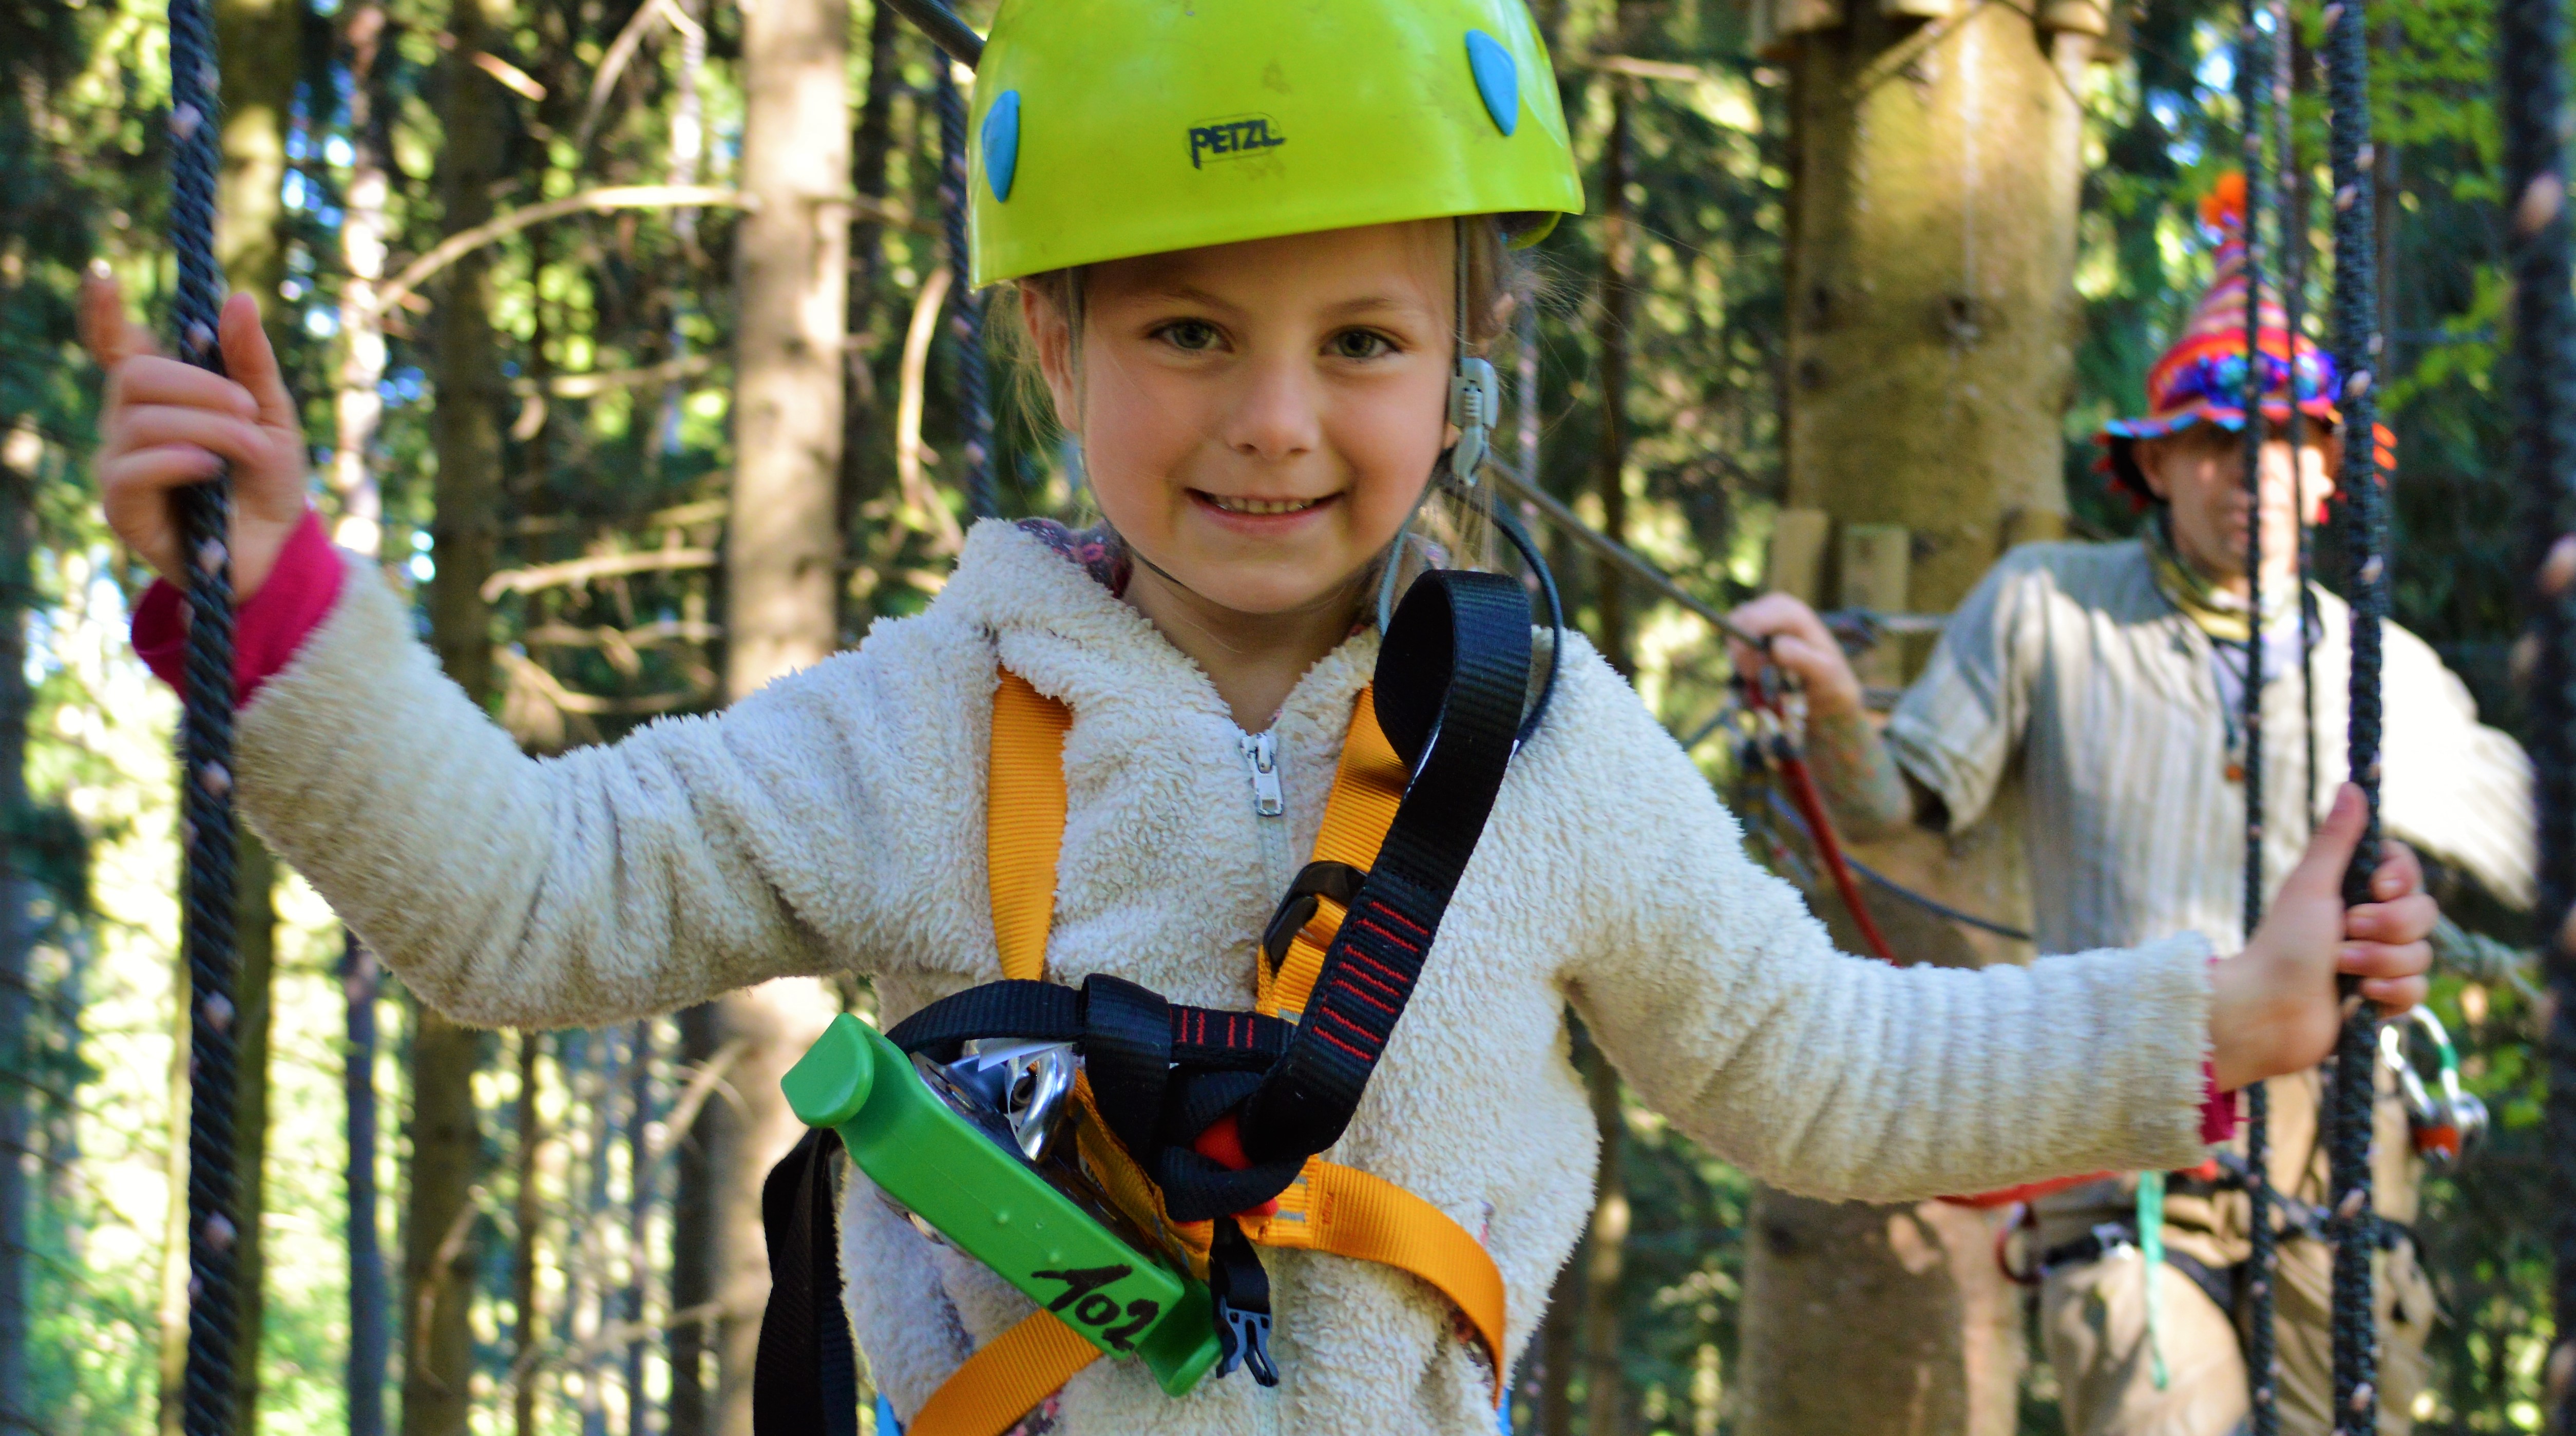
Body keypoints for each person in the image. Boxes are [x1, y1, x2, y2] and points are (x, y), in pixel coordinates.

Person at [87, 14, 2436, 1434]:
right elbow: (521, 899)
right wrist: (272, 611)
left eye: (1361, 340)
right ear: (1053, 341)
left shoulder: (1547, 758)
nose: (1276, 422)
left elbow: (1818, 1063)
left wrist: (2215, 1018)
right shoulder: (918, 727)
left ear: (1462, 347)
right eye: (1187, 332)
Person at [1726, 177, 2529, 1436]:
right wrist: (1832, 703)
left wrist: (2413, 924)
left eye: (2286, 440)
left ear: (2329, 470)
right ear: (2153, 463)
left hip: (2336, 1144)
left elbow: (2537, 859)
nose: (2250, 472)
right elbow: (1891, 808)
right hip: (2125, 1118)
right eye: (2212, 442)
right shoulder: (2045, 604)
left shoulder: (2389, 670)